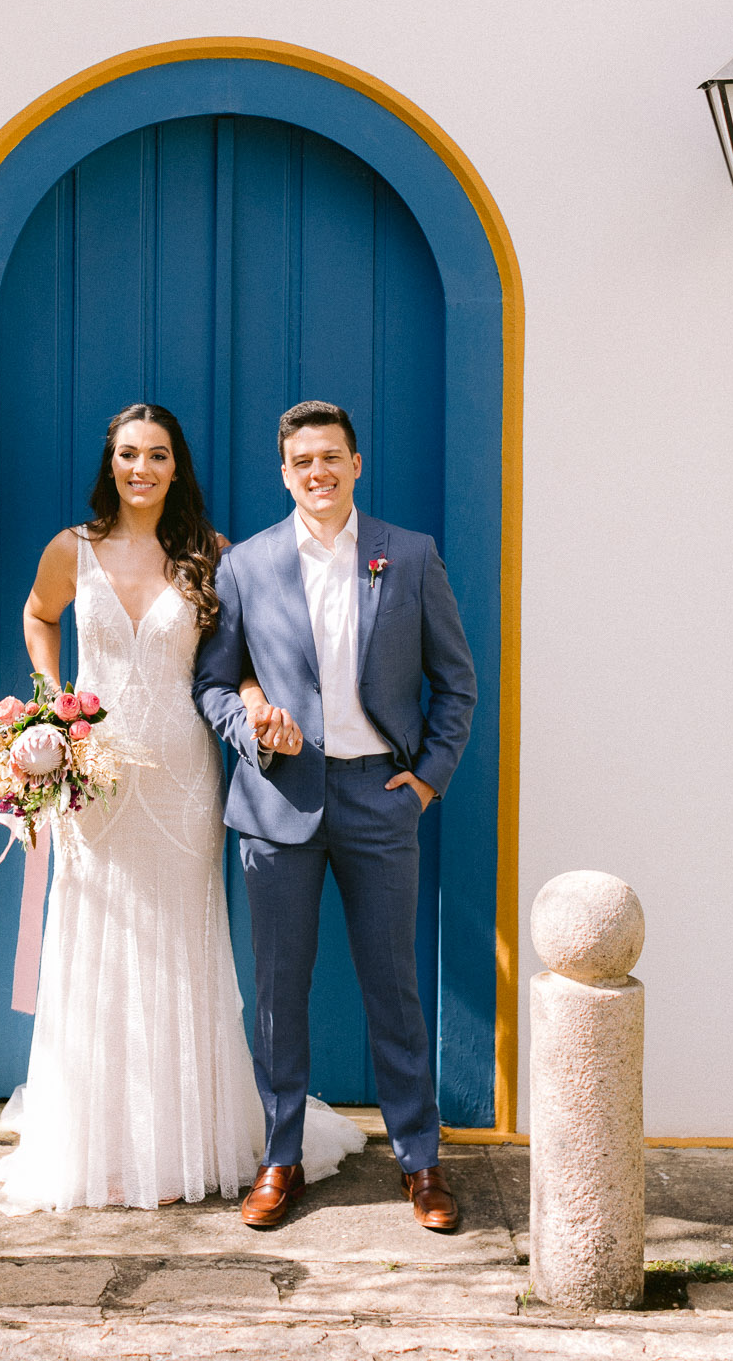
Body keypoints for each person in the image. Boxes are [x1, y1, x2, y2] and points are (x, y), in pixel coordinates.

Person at [0, 402, 363, 1213]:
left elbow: (245, 657)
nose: (141, 470)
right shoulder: (72, 549)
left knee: (175, 945)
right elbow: (37, 615)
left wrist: (262, 701)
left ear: (175, 466)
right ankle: (98, 1141)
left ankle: (185, 1138)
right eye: (128, 454)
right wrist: (53, 704)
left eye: (157, 456)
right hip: (95, 780)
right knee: (95, 939)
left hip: (182, 781)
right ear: (111, 463)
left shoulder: (211, 555)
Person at [193, 399, 478, 1233]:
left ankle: (419, 1163)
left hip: (380, 800)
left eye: (330, 458)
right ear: (282, 474)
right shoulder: (246, 565)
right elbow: (213, 682)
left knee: (392, 986)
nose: (316, 473)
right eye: (300, 462)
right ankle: (280, 1160)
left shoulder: (411, 556)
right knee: (279, 993)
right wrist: (251, 727)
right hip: (278, 803)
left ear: (356, 464)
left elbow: (455, 682)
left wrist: (426, 780)